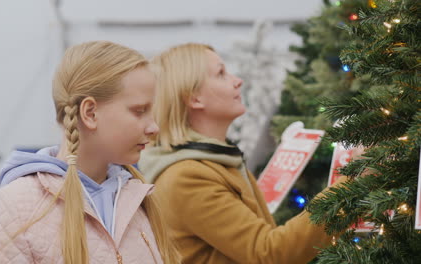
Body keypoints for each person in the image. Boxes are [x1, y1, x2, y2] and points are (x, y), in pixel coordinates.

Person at [138, 43, 347, 264]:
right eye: (221, 74)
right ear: (193, 98)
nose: (237, 81)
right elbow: (271, 253)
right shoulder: (188, 178)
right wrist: (351, 186)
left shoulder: (218, 162)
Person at [0, 41, 180, 264]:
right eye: (139, 111)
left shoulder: (138, 197)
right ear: (90, 113)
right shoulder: (17, 206)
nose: (154, 127)